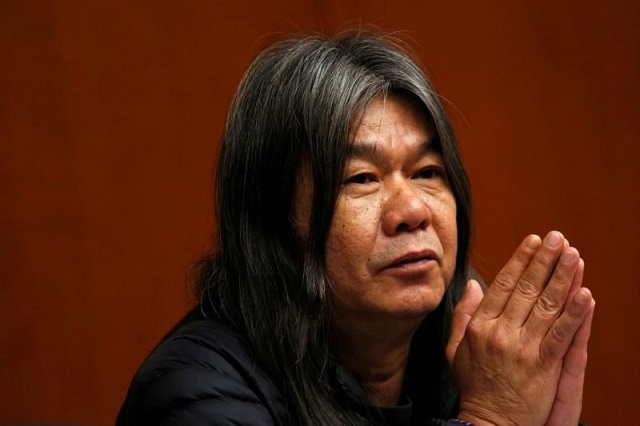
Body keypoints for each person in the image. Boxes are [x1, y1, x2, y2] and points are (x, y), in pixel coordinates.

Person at [116, 31, 595, 425]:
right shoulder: (197, 391)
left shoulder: (470, 350)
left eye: (428, 171)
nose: (412, 209)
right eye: (362, 179)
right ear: (274, 220)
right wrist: (492, 420)